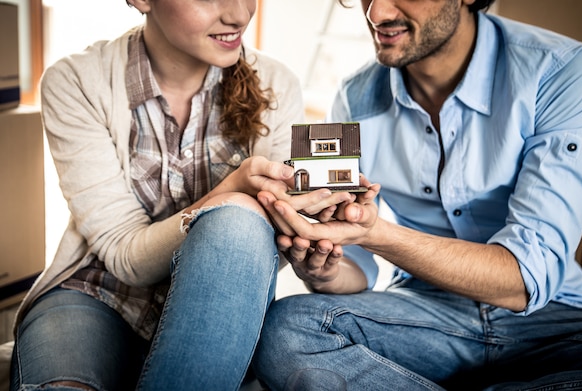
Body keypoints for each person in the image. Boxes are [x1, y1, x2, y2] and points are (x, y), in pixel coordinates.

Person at [252, 0, 582, 389]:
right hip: (423, 315)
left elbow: (523, 278)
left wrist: (373, 232)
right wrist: (324, 270)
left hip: (554, 318)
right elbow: (357, 267)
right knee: (287, 332)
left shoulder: (563, 71)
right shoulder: (353, 97)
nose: (375, 14)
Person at [8, 0, 347, 390]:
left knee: (239, 221)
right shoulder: (77, 81)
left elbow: (267, 241)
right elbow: (124, 258)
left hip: (218, 302)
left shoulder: (276, 82)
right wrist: (228, 192)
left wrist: (316, 218)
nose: (239, 14)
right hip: (98, 295)